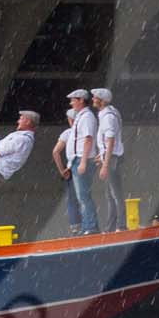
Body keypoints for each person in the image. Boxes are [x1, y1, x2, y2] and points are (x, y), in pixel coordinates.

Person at [52, 88, 99, 236]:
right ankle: (87, 226)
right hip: (76, 160)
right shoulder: (81, 116)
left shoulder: (87, 117)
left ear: (81, 100)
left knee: (83, 196)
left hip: (80, 160)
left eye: (73, 100)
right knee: (81, 196)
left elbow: (88, 139)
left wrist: (83, 161)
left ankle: (90, 227)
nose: (71, 103)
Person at [93, 87, 126, 231]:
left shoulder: (108, 117)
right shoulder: (108, 113)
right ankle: (111, 227)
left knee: (115, 193)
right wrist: (102, 156)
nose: (93, 99)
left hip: (111, 158)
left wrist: (105, 164)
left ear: (101, 100)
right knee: (110, 194)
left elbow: (111, 140)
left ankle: (121, 225)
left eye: (95, 97)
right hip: (109, 156)